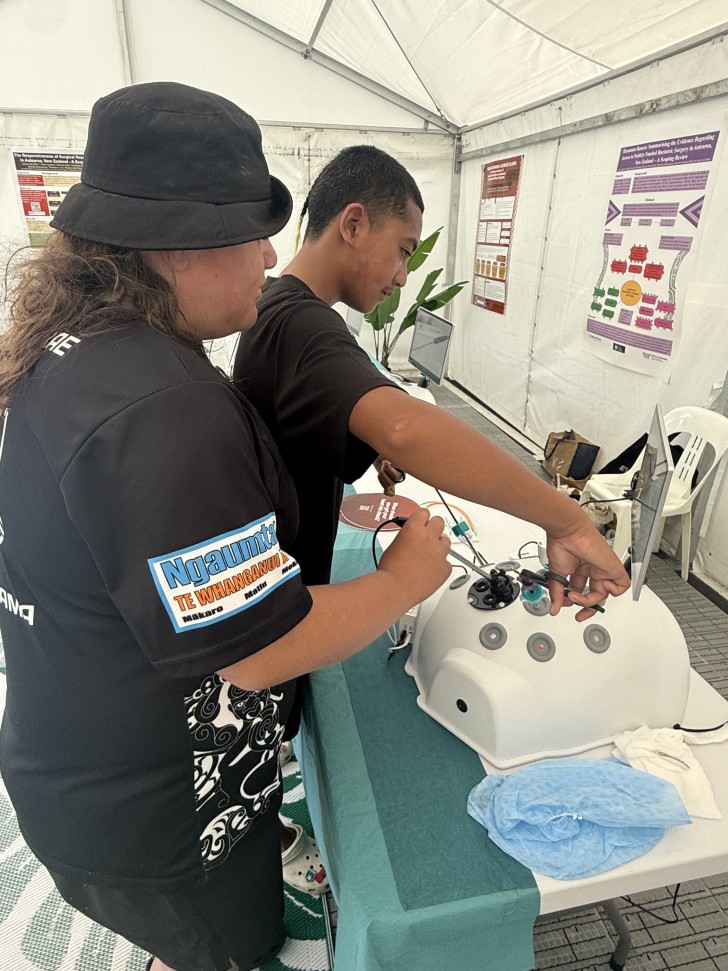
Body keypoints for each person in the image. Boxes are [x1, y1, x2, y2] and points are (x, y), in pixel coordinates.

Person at [0, 85, 451, 971]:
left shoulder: (77, 351)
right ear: (177, 244)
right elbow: (254, 649)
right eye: (253, 230)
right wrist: (404, 579)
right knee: (227, 949)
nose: (269, 253)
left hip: (80, 771)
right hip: (161, 814)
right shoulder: (166, 408)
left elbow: (155, 539)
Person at [233, 144, 630, 606]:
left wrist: (369, 440)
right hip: (287, 601)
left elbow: (307, 419)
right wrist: (569, 520)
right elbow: (405, 428)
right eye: (403, 252)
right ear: (354, 224)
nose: (402, 277)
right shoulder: (304, 322)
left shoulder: (275, 303)